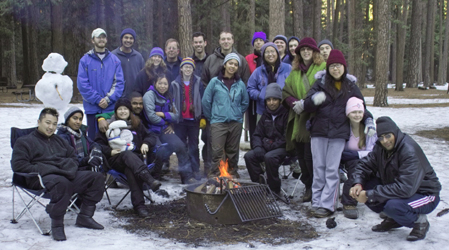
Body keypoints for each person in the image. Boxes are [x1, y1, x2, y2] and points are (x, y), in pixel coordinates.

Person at [11, 108, 105, 241]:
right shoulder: (24, 142)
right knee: (62, 183)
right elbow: (18, 165)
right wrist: (50, 169)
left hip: (65, 175)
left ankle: (85, 216)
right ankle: (57, 225)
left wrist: (63, 168)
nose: (51, 127)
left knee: (96, 178)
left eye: (54, 124)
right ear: (39, 122)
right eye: (47, 123)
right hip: (39, 179)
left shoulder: (59, 141)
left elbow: (73, 159)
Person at [302, 49, 375, 218]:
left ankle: (328, 205)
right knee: (318, 168)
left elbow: (361, 107)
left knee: (331, 170)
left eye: (339, 66)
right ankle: (317, 201)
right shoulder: (320, 83)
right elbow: (306, 105)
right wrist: (314, 100)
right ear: (328, 68)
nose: (336, 69)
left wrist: (369, 121)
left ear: (344, 67)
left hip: (338, 134)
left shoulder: (350, 86)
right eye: (332, 66)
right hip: (318, 131)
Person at [350, 116, 441, 241]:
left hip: (425, 194)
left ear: (395, 133)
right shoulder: (380, 148)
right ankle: (393, 219)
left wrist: (370, 194)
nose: (385, 141)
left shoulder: (409, 151)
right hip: (400, 188)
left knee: (393, 206)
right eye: (381, 137)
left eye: (388, 136)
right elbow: (364, 165)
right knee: (367, 186)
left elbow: (405, 188)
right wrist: (358, 184)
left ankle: (420, 222)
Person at [95, 98, 162, 217]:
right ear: (116, 112)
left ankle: (139, 206)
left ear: (129, 111)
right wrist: (110, 151)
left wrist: (146, 143)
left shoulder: (136, 123)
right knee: (126, 154)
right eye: (119, 109)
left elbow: (151, 135)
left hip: (135, 162)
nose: (122, 112)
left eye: (125, 109)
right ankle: (149, 179)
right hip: (116, 159)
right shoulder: (108, 125)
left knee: (130, 169)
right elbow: (97, 144)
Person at [281, 37, 326, 203]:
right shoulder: (295, 71)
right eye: (302, 49)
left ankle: (316, 188)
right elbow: (285, 91)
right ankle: (308, 186)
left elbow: (324, 92)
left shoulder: (322, 68)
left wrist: (306, 104)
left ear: (315, 51)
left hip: (315, 119)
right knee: (301, 156)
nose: (306, 52)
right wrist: (294, 103)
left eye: (309, 49)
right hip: (298, 119)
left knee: (310, 156)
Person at [201, 30, 250, 178]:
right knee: (216, 151)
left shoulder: (240, 83)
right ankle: (216, 175)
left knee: (232, 152)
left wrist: (237, 113)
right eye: (230, 63)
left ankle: (232, 174)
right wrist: (213, 116)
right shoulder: (215, 82)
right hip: (218, 122)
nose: (232, 66)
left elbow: (245, 101)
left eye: (235, 64)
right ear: (225, 64)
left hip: (235, 122)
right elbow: (206, 101)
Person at [142, 75, 196, 184]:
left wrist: (163, 114)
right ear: (155, 84)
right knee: (159, 151)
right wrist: (167, 121)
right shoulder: (149, 95)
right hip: (152, 131)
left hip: (165, 130)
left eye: (165, 84)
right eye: (160, 83)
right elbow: (151, 117)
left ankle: (187, 176)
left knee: (180, 146)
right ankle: (154, 177)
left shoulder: (169, 96)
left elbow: (176, 116)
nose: (163, 86)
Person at [77, 28, 124, 140]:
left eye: (103, 37)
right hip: (93, 108)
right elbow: (82, 84)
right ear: (93, 40)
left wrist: (108, 99)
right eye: (98, 37)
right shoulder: (85, 60)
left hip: (109, 108)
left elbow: (119, 83)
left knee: (111, 139)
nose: (101, 39)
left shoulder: (115, 60)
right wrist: (97, 100)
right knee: (93, 140)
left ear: (106, 39)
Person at [244, 83, 288, 195]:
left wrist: (270, 145)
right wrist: (258, 147)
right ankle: (260, 185)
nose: (271, 103)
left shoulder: (286, 115)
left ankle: (274, 189)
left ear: (280, 100)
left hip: (283, 148)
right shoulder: (266, 115)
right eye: (268, 100)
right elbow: (257, 134)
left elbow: (286, 137)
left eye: (274, 99)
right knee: (249, 156)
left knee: (269, 157)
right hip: (267, 146)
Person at [339, 97, 377, 219]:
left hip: (367, 159)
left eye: (360, 112)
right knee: (356, 171)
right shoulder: (344, 129)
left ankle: (379, 200)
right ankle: (349, 202)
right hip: (349, 161)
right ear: (348, 113)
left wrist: (358, 154)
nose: (357, 115)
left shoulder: (369, 130)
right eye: (354, 112)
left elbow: (373, 150)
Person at [172, 58, 204, 180]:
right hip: (180, 120)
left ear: (193, 69)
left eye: (190, 67)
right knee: (182, 147)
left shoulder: (198, 82)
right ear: (181, 69)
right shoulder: (175, 83)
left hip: (193, 120)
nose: (187, 69)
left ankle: (195, 170)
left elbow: (202, 99)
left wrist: (202, 116)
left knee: (194, 146)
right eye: (185, 67)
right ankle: (184, 172)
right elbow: (171, 101)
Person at [247, 42, 292, 118]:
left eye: (272, 51)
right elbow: (250, 88)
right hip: (263, 111)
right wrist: (260, 95)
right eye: (267, 52)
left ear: (277, 53)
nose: (270, 54)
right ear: (263, 56)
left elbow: (293, 86)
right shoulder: (258, 71)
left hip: (284, 110)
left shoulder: (288, 68)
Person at [57, 106, 104, 172]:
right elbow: (70, 156)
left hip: (83, 164)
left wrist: (95, 151)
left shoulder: (81, 133)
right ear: (67, 120)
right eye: (75, 118)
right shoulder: (63, 136)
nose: (78, 122)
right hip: (72, 169)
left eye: (80, 119)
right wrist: (88, 159)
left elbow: (93, 144)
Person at [111, 28, 145, 99]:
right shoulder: (113, 56)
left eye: (131, 38)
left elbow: (143, 76)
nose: (128, 40)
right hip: (118, 97)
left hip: (135, 97)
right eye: (126, 37)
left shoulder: (138, 56)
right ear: (121, 39)